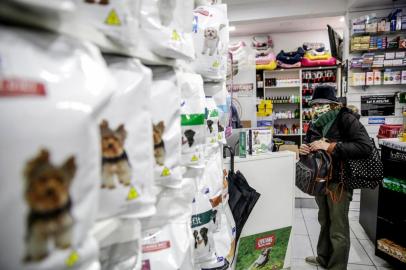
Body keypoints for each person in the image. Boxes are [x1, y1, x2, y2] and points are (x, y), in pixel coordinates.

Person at [300, 85, 372, 270]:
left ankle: (337, 266)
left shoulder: (346, 119)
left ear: (334, 104)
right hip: (320, 180)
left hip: (339, 182)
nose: (318, 108)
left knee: (338, 228)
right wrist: (305, 149)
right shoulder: (316, 123)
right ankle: (323, 258)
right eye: (315, 104)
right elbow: (310, 144)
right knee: (324, 221)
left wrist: (331, 146)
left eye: (323, 104)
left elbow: (365, 147)